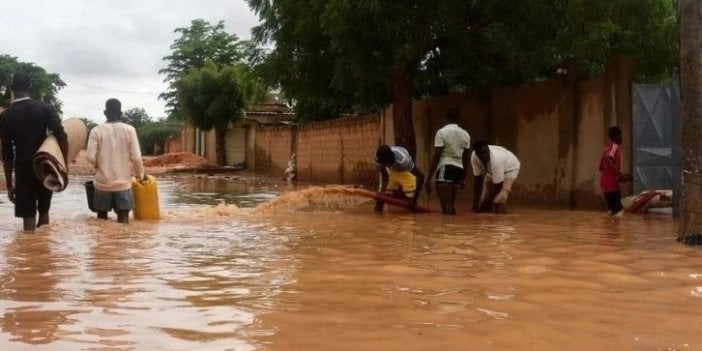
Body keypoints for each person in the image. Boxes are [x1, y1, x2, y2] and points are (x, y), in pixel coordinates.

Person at [0, 72, 68, 232]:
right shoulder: (44, 109)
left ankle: (29, 251)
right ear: (29, 87)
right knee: (44, 212)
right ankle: (43, 251)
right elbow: (62, 137)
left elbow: (7, 154)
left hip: (23, 172)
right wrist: (63, 165)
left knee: (28, 219)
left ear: (12, 89)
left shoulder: (6, 116)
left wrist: (10, 184)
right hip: (45, 167)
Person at [86, 98, 146, 224]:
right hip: (123, 185)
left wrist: (99, 164)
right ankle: (121, 242)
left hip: (102, 185)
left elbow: (90, 156)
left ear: (104, 113)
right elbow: (136, 157)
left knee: (101, 224)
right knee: (124, 223)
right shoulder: (129, 130)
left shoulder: (96, 131)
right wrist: (141, 175)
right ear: (121, 114)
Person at [425, 107, 471, 215]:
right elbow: (466, 157)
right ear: (458, 118)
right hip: (458, 170)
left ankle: (446, 229)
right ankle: (452, 229)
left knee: (445, 205)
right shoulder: (465, 134)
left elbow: (437, 155)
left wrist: (428, 178)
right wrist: (463, 177)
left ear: (446, 118)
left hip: (445, 168)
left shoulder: (441, 132)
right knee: (451, 204)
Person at [471, 140, 521, 214]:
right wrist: (475, 203)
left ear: (488, 150)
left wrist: (485, 204)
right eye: (481, 153)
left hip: (510, 168)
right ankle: (488, 206)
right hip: (491, 171)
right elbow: (478, 179)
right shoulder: (474, 157)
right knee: (484, 199)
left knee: (500, 199)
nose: (484, 156)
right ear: (476, 153)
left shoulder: (496, 160)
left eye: (486, 152)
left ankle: (499, 209)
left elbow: (498, 185)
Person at [374, 145, 425, 212]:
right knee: (380, 200)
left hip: (406, 172)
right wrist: (382, 193)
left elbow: (421, 176)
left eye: (385, 164)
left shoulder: (403, 160)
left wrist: (414, 200)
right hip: (390, 172)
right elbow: (385, 176)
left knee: (412, 204)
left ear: (390, 161)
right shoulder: (378, 158)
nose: (382, 165)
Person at [599, 126, 631, 216]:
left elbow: (602, 168)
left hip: (605, 184)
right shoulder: (614, 146)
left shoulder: (607, 148)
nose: (621, 138)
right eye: (620, 136)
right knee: (619, 211)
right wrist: (619, 174)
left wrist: (621, 177)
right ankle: (615, 229)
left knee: (612, 211)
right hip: (612, 185)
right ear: (616, 136)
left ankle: (610, 229)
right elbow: (609, 158)